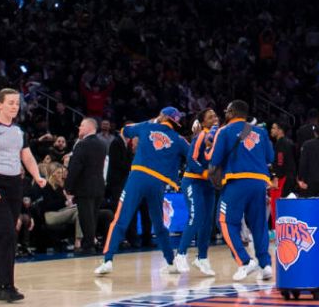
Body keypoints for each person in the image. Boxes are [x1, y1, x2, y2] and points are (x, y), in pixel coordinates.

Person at [0, 88, 48, 302]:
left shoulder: (19, 131)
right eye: (11, 103)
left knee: (3, 234)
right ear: (0, 105)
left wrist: (38, 175)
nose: (15, 106)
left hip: (15, 185)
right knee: (8, 232)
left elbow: (27, 156)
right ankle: (7, 285)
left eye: (17, 103)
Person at [94, 107, 189, 276]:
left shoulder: (146, 126)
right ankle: (171, 262)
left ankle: (107, 260)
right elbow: (193, 158)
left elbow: (125, 130)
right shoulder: (178, 139)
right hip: (158, 183)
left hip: (138, 177)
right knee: (159, 224)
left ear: (162, 116)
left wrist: (152, 120)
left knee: (120, 220)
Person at [208, 99, 275, 281]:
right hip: (260, 183)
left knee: (225, 221)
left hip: (236, 181)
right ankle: (266, 265)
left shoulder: (224, 131)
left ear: (231, 112)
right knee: (259, 225)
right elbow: (270, 157)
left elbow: (215, 159)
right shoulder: (261, 131)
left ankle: (245, 261)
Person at [176, 107, 219, 275]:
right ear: (202, 122)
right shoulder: (201, 135)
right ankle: (181, 254)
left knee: (207, 222)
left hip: (208, 184)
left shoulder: (218, 136)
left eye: (215, 115)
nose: (214, 118)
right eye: (210, 117)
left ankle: (202, 258)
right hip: (193, 181)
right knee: (196, 217)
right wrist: (204, 172)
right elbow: (191, 159)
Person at [65, 117, 108, 255]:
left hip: (84, 187)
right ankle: (91, 242)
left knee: (86, 217)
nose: (79, 128)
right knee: (93, 217)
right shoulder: (102, 144)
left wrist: (68, 187)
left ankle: (88, 245)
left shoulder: (82, 145)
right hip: (99, 186)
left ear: (90, 127)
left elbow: (75, 168)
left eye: (82, 126)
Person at [271, 121, 297, 196]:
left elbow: (280, 161)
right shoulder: (290, 142)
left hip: (283, 179)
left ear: (280, 130)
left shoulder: (281, 143)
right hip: (290, 177)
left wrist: (276, 177)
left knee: (278, 204)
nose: (271, 130)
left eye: (273, 128)